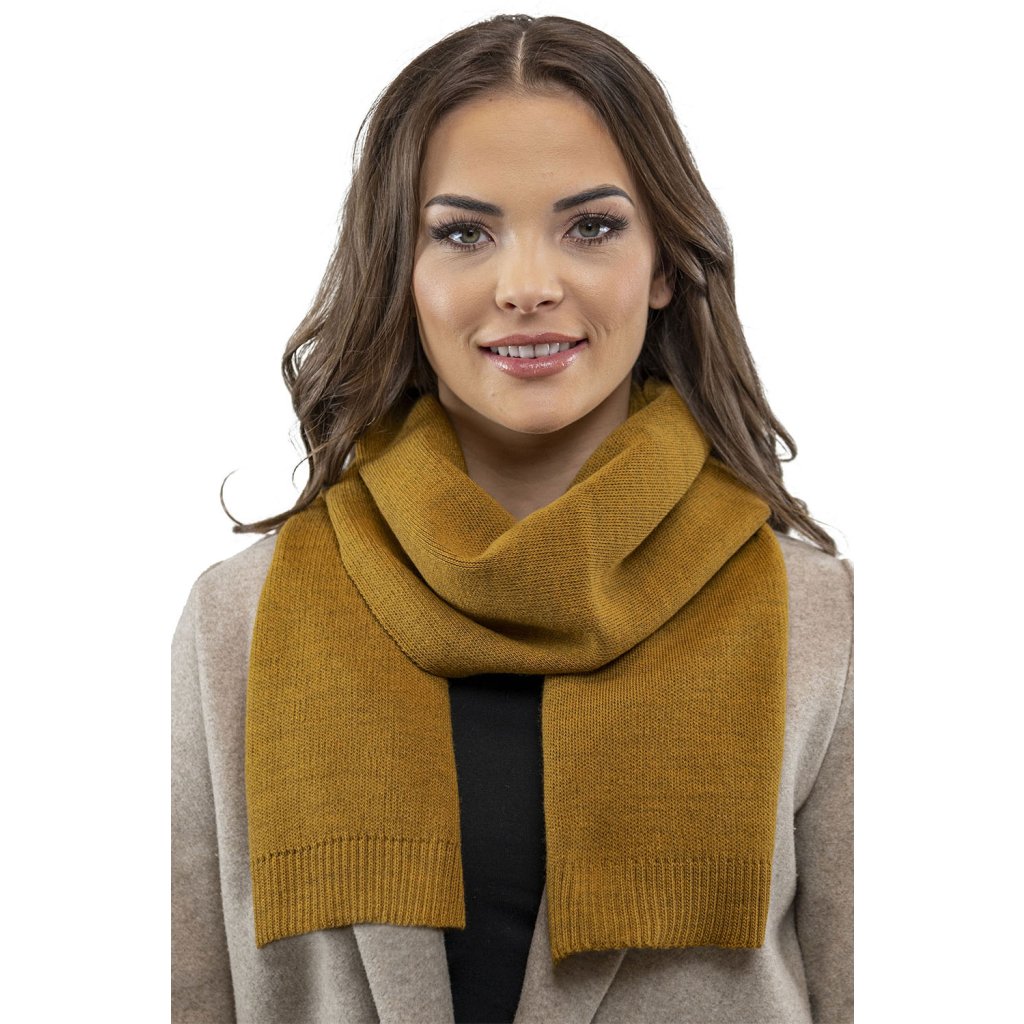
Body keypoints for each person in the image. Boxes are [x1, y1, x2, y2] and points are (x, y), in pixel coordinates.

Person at [171, 13, 853, 1024]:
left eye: (592, 227)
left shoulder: (821, 621)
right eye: (463, 233)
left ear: (665, 265)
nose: (528, 286)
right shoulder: (238, 620)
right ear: (399, 271)